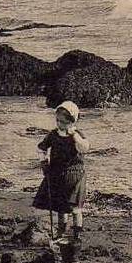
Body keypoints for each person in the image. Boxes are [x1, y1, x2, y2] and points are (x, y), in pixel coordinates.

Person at [32, 101, 90, 241]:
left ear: (72, 121)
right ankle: (60, 233)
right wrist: (44, 162)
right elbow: (41, 148)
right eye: (58, 121)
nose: (60, 124)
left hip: (75, 175)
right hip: (57, 174)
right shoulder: (53, 135)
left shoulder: (77, 135)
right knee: (60, 208)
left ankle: (77, 235)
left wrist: (75, 136)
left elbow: (85, 148)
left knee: (76, 208)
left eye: (64, 122)